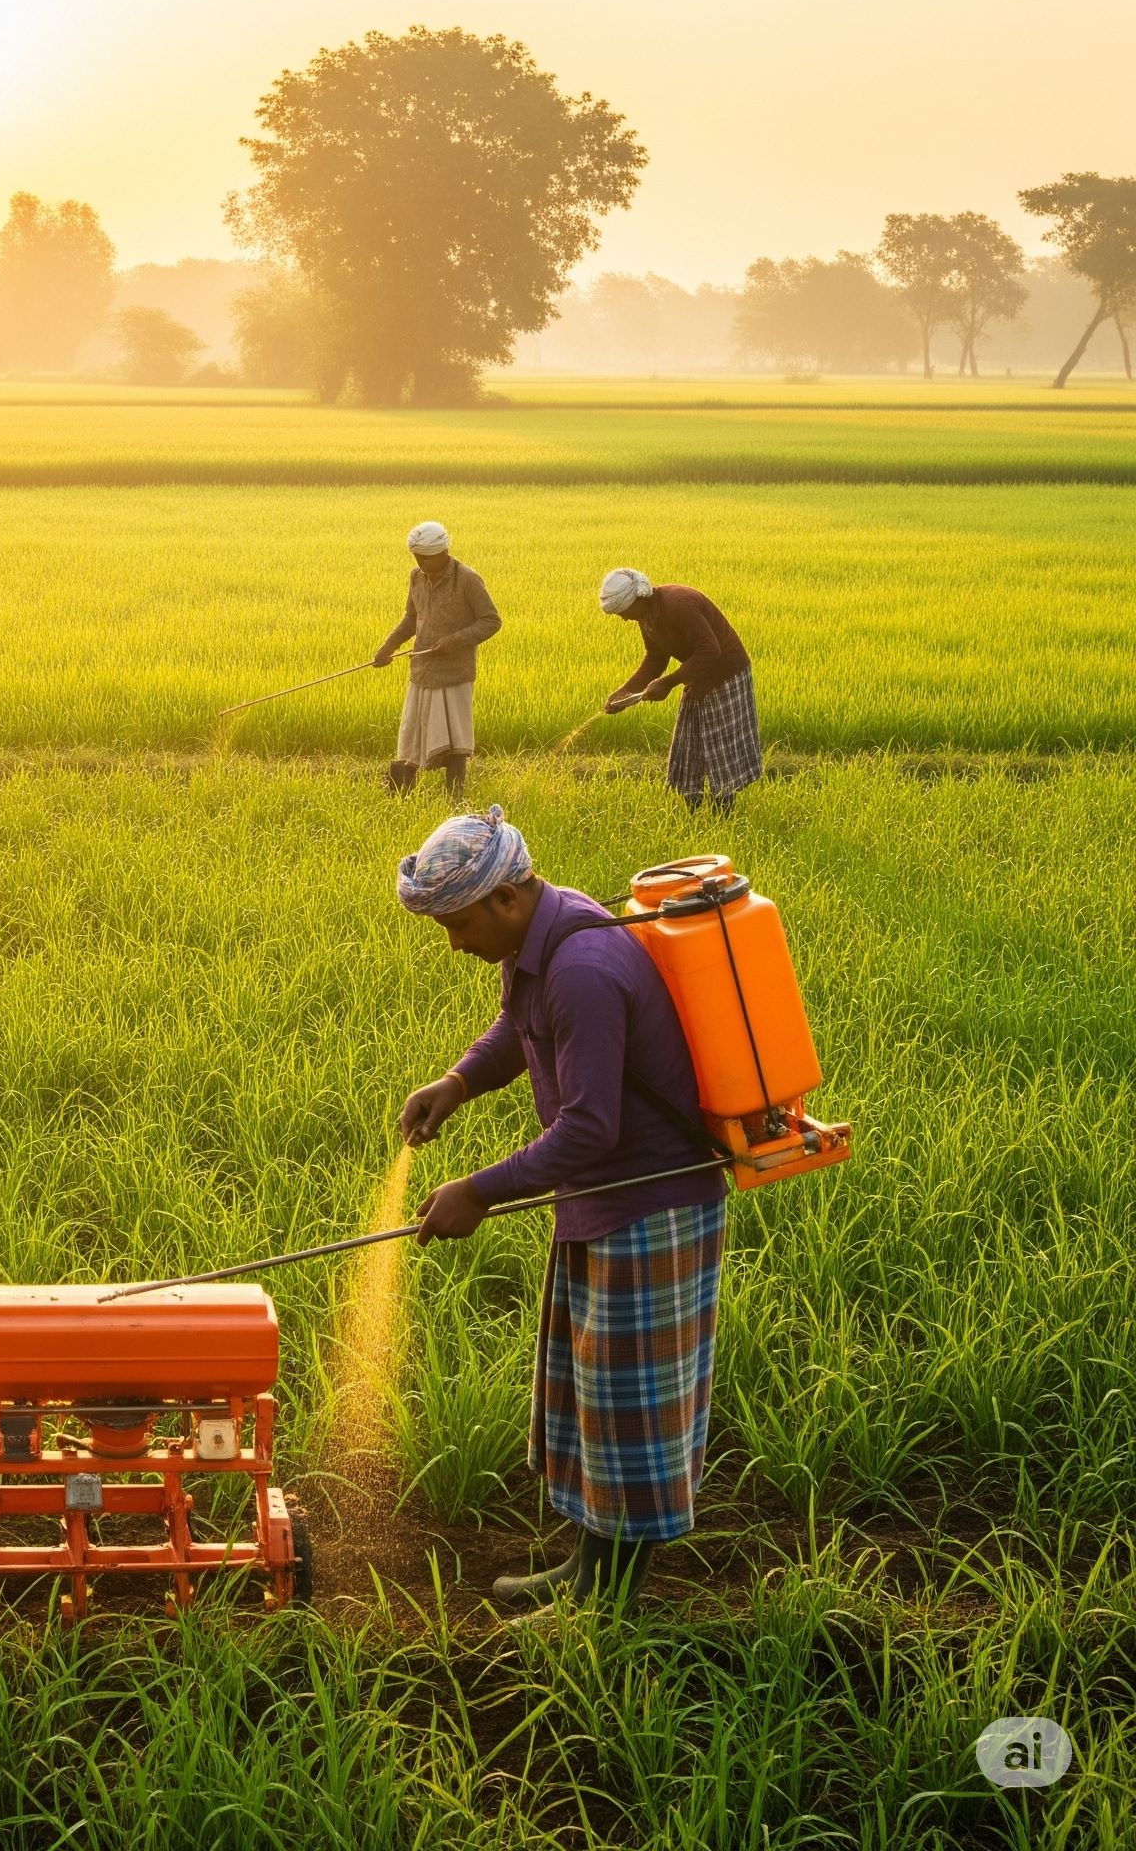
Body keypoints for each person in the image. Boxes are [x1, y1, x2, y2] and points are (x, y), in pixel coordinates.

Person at [396, 807, 727, 1614]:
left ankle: (604, 1605)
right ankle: (584, 1572)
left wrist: (478, 1190)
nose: (454, 944)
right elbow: (521, 1026)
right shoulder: (543, 935)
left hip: (648, 1208)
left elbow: (589, 1127)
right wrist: (459, 1082)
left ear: (506, 897)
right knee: (595, 1406)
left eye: (459, 924)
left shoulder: (581, 966)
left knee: (629, 1418)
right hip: (603, 1203)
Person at [599, 569, 760, 812]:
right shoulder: (647, 616)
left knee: (720, 748)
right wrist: (626, 691)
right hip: (700, 674)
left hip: (726, 674)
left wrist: (668, 683)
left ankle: (723, 813)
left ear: (637, 599)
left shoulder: (679, 605)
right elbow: (656, 657)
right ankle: (693, 810)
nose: (623, 618)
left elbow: (710, 650)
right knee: (689, 745)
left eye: (622, 611)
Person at [372, 521, 501, 798]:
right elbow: (411, 618)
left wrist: (454, 641)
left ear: (443, 552)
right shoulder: (416, 577)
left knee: (455, 743)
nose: (420, 563)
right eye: (416, 557)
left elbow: (491, 621)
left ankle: (455, 800)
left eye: (425, 558)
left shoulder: (467, 579)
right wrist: (389, 646)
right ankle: (399, 799)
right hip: (421, 672)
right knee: (411, 737)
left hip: (454, 675)